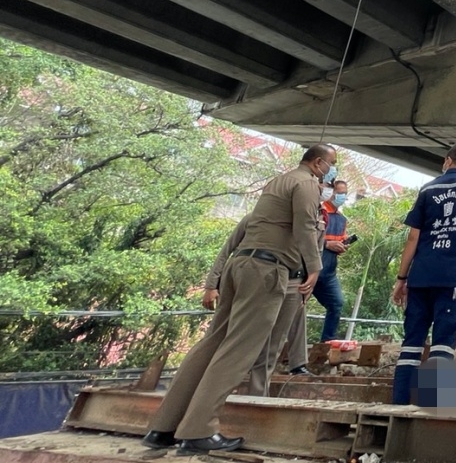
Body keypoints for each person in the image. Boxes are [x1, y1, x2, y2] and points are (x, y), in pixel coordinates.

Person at [142, 145, 332, 455]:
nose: (331, 172)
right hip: (268, 271)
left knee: (212, 343)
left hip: (241, 265)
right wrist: (314, 266)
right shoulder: (307, 183)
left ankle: (163, 426)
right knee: (239, 351)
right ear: (318, 162)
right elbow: (304, 227)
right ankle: (198, 430)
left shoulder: (278, 181)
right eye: (331, 165)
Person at [390, 141, 456, 406]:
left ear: (446, 161)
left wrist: (402, 279)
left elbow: (413, 236)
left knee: (411, 342)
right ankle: (432, 404)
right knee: (443, 344)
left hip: (421, 276)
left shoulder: (428, 189)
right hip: (452, 278)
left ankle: (399, 404)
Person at [200, 218, 311, 396]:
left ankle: (258, 397)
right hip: (259, 279)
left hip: (293, 284)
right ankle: (210, 392)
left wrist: (307, 288)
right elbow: (226, 250)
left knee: (271, 348)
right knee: (233, 336)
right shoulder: (256, 218)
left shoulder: (306, 224)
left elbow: (313, 257)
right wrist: (211, 285)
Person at [312, 180, 351, 343]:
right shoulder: (318, 213)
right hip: (311, 269)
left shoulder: (342, 219)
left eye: (344, 193)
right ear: (330, 192)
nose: (341, 196)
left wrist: (342, 246)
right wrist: (328, 244)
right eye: (339, 192)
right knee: (294, 307)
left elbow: (340, 240)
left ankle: (327, 341)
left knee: (336, 303)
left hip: (329, 273)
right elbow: (307, 237)